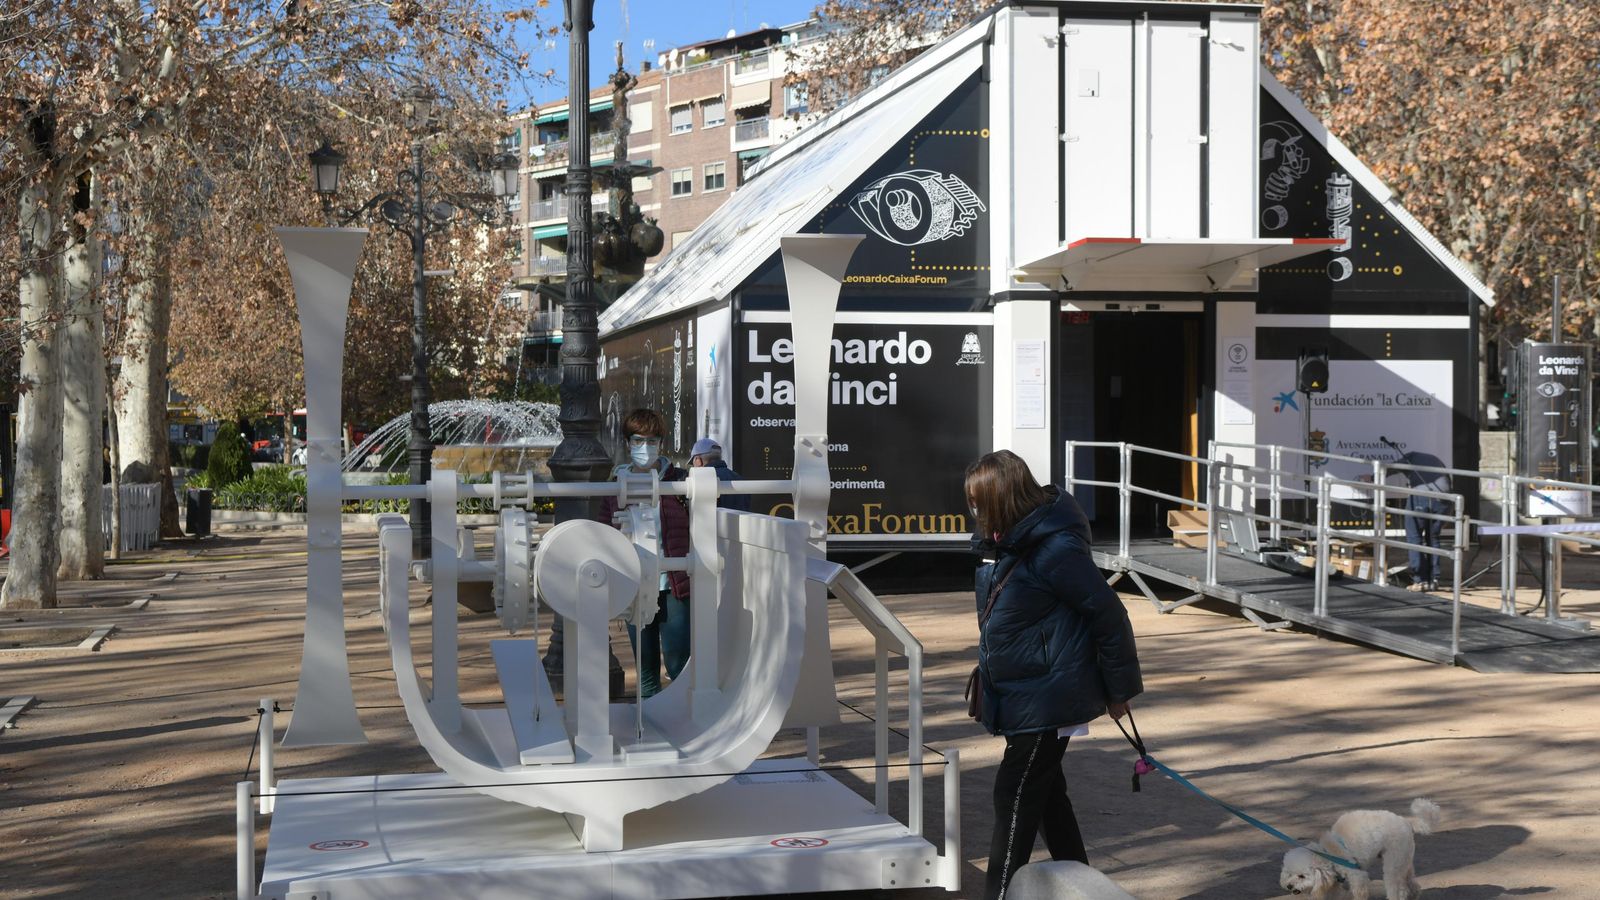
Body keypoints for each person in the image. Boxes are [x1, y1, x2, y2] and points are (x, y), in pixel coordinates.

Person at [965, 450, 1143, 900]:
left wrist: (1118, 690)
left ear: (1004, 498)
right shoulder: (1011, 543)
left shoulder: (1054, 548)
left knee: (1014, 798)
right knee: (1045, 799)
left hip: (1046, 698)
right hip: (1025, 694)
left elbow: (1109, 616)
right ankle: (1085, 890)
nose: (975, 511)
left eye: (980, 502)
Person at [598, 409, 692, 699]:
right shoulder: (615, 485)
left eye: (652, 441)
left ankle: (681, 715)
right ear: (628, 443)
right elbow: (605, 531)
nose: (645, 447)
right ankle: (647, 718)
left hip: (674, 584)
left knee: (679, 661)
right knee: (645, 665)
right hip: (634, 584)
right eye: (638, 440)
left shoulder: (680, 481)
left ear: (661, 443)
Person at [1392, 447, 1451, 592]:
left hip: (1422, 498)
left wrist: (1372, 477)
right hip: (1444, 500)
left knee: (1414, 538)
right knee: (1433, 538)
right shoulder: (1432, 459)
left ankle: (1420, 580)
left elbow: (1390, 469)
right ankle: (1434, 579)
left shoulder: (1409, 459)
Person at [688, 437, 752, 512]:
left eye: (693, 463)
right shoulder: (739, 479)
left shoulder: (702, 481)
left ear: (698, 461)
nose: (693, 467)